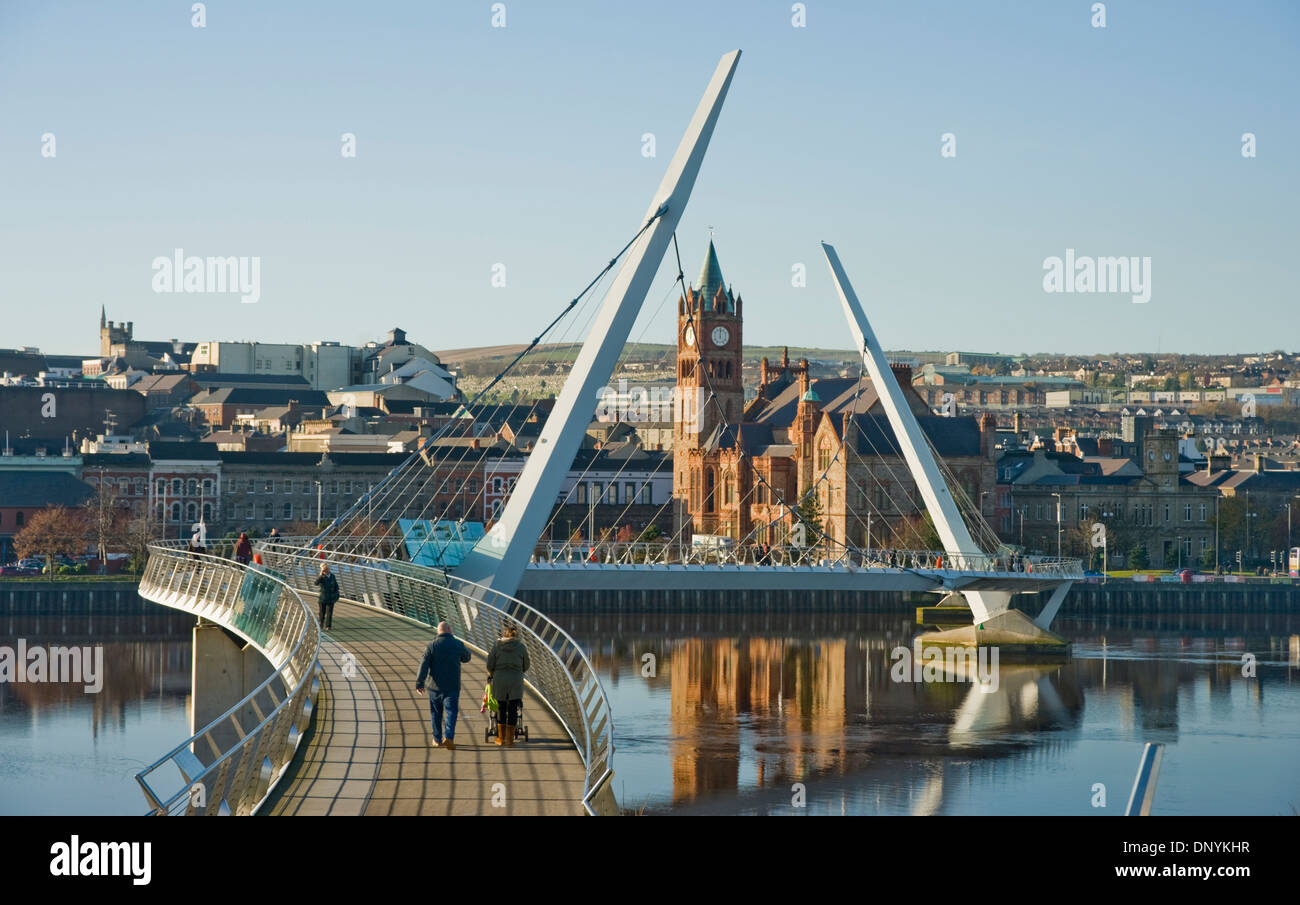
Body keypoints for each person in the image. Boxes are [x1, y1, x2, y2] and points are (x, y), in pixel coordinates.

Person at [415, 621, 471, 749]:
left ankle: (437, 739)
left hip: (434, 686)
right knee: (451, 711)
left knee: (435, 713)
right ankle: (449, 737)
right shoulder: (458, 644)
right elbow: (466, 658)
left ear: (438, 631)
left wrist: (420, 683)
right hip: (452, 685)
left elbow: (423, 665)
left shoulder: (431, 646)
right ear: (449, 630)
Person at [486, 624, 530, 747]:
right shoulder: (521, 647)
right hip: (515, 680)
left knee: (501, 707)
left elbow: (490, 664)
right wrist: (518, 671)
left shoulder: (496, 646)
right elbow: (526, 665)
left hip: (499, 679)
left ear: (504, 634)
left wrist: (492, 673)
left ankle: (500, 738)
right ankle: (510, 741)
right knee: (512, 709)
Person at [313, 563, 339, 630]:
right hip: (323, 598)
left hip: (330, 598)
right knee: (322, 613)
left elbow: (336, 586)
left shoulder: (332, 576)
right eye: (325, 569)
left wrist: (336, 595)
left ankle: (328, 626)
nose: (326, 571)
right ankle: (321, 624)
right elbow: (316, 583)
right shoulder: (321, 577)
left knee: (329, 613)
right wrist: (320, 575)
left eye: (327, 569)